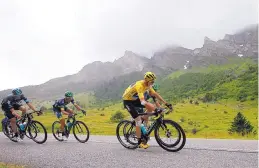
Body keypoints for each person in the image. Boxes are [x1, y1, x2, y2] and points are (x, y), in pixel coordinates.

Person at [122, 72, 172, 149]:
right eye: (152, 81)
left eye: (153, 81)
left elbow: (156, 95)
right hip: (127, 101)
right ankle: (139, 142)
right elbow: (142, 101)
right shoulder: (140, 85)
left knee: (149, 108)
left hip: (134, 99)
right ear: (147, 80)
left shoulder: (148, 85)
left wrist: (166, 103)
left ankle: (142, 120)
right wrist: (155, 109)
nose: (153, 83)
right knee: (138, 120)